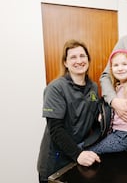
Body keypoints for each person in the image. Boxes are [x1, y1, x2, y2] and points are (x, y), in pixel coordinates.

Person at [37, 39, 101, 183]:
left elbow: (94, 119)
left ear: (88, 59)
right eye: (73, 57)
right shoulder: (55, 89)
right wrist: (78, 154)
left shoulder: (93, 88)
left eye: (82, 56)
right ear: (65, 63)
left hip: (78, 159)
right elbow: (55, 129)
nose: (79, 61)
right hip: (56, 162)